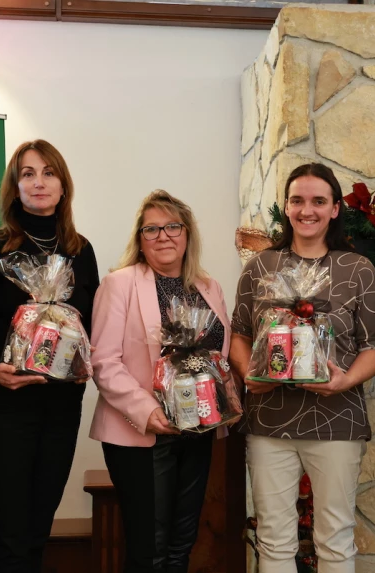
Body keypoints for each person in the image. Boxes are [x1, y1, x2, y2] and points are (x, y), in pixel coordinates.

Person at [229, 163, 375, 573]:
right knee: (274, 539)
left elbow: (374, 347)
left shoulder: (358, 270)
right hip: (268, 421)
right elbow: (240, 334)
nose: (307, 210)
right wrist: (249, 374)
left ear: (335, 209)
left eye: (319, 201)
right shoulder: (260, 268)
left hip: (337, 421)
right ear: (286, 207)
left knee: (335, 538)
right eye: (297, 200)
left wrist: (346, 380)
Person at [0, 139, 99, 572]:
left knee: (40, 526)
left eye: (48, 172)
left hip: (61, 409)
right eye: (27, 173)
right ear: (14, 186)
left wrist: (84, 365)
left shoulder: (81, 250)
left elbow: (91, 323)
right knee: (10, 532)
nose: (38, 182)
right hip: (4, 408)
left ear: (63, 185)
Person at [89, 190, 231, 573]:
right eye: (151, 229)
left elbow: (217, 357)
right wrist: (148, 411)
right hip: (141, 434)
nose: (163, 236)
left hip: (197, 432)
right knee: (148, 548)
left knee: (181, 544)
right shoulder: (119, 284)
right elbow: (103, 362)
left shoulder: (209, 287)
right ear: (139, 239)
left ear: (187, 234)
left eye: (172, 226)